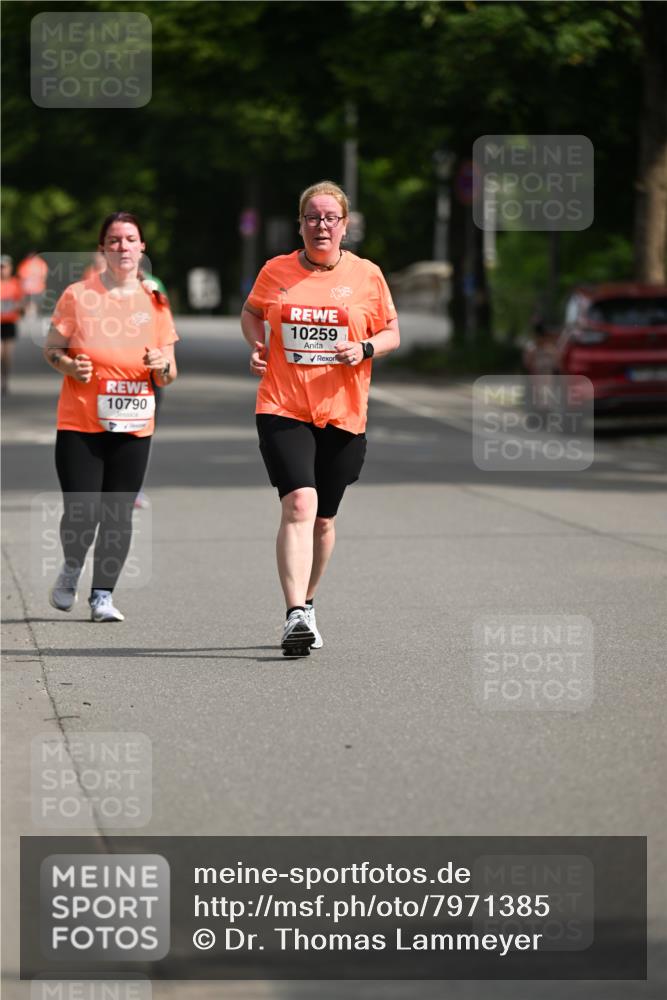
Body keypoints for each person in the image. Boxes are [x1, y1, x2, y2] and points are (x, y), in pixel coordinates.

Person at [241, 180, 400, 656]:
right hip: (283, 404)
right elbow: (251, 313)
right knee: (299, 505)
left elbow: (391, 331)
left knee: (324, 521)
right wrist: (258, 344)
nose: (321, 225)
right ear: (301, 224)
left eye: (331, 218)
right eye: (313, 217)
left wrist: (365, 347)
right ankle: (293, 616)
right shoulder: (277, 271)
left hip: (344, 412)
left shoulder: (367, 275)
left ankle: (308, 603)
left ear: (345, 226)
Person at [43, 212, 178, 622]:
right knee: (82, 510)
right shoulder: (77, 295)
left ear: (142, 248)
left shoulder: (155, 300)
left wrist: (160, 366)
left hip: (135, 421)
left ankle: (102, 595)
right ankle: (71, 567)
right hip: (81, 421)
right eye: (114, 240)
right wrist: (69, 367)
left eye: (130, 239)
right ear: (103, 248)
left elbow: (171, 372)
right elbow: (52, 349)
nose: (122, 247)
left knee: (117, 511)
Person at [1, 254, 25, 396]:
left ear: (10, 268)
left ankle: (5, 380)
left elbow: (22, 303)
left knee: (7, 355)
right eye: (0, 268)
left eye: (4, 267)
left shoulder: (15, 284)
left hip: (9, 323)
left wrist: (17, 307)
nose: (2, 270)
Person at [17, 251, 48, 317]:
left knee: (34, 304)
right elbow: (22, 276)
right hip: (28, 289)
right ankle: (30, 317)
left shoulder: (40, 263)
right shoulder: (25, 263)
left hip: (37, 289)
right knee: (29, 305)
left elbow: (44, 276)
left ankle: (32, 317)